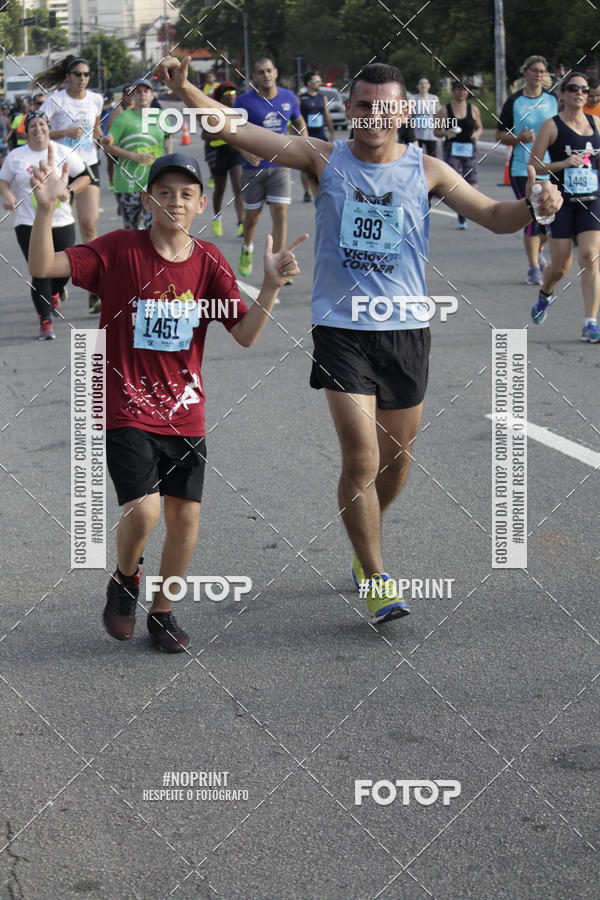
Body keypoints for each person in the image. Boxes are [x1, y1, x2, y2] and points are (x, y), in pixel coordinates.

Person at [153, 56, 561, 623]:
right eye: (362, 104)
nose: (371, 114)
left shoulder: (427, 169)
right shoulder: (323, 156)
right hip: (342, 329)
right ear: (349, 109)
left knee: (396, 461)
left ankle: (362, 537)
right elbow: (238, 129)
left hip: (406, 329)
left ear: (402, 111)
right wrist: (186, 89)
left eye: (383, 105)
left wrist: (536, 209)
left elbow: (496, 215)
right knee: (361, 456)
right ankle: (375, 575)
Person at [28, 148, 307, 650]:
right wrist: (47, 209)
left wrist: (268, 286)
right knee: (145, 511)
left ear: (202, 204)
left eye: (186, 194)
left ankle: (163, 613)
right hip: (126, 406)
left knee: (184, 518)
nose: (174, 202)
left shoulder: (207, 262)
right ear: (147, 199)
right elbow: (45, 263)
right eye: (164, 193)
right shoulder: (118, 250)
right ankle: (125, 579)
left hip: (185, 412)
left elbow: (244, 334)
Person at [0, 110, 90, 339]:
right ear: (26, 131)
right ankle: (45, 321)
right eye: (33, 126)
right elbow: (3, 180)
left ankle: (56, 292)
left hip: (61, 220)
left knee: (63, 269)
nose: (38, 129)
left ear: (49, 129)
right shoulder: (16, 156)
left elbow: (86, 176)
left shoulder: (62, 152)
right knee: (40, 271)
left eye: (42, 125)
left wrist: (69, 190)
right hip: (28, 221)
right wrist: (7, 195)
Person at [529, 72, 600, 342]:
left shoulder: (596, 123)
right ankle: (545, 294)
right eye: (572, 88)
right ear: (562, 94)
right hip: (562, 203)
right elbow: (534, 165)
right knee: (560, 266)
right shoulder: (552, 125)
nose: (579, 93)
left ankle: (590, 322)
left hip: (591, 201)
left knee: (590, 257)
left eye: (584, 89)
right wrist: (562, 164)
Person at [36, 54, 104, 313]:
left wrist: (104, 139)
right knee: (59, 232)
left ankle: (94, 290)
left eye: (87, 74)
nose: (83, 79)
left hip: (87, 167)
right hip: (60, 170)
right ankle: (59, 282)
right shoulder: (55, 101)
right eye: (78, 74)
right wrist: (63, 133)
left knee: (89, 226)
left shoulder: (96, 99)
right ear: (68, 77)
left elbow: (97, 130)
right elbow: (36, 129)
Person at [234, 57, 307, 277]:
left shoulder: (288, 97)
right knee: (252, 218)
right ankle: (247, 248)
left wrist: (304, 138)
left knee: (280, 214)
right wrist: (244, 150)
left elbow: (298, 120)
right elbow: (230, 130)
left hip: (281, 166)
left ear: (275, 72)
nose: (265, 75)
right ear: (254, 76)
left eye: (268, 70)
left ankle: (278, 264)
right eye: (260, 72)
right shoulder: (244, 102)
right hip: (253, 169)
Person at [496, 55, 558, 284]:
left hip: (550, 167)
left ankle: (537, 250)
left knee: (548, 220)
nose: (539, 74)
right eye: (534, 70)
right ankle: (533, 268)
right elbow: (499, 135)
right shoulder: (514, 101)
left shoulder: (553, 100)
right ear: (525, 72)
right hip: (523, 168)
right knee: (532, 216)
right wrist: (518, 137)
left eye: (542, 71)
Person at [103, 79, 172, 230]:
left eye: (146, 91)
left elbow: (168, 138)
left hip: (154, 183)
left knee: (153, 228)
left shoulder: (160, 116)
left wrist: (169, 161)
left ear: (152, 95)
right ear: (132, 96)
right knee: (131, 230)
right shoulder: (123, 118)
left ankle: (149, 254)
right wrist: (134, 156)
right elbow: (109, 147)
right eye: (138, 92)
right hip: (129, 183)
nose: (142, 94)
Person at [435, 80, 482, 229]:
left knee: (471, 180)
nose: (462, 93)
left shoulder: (473, 109)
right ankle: (461, 213)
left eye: (465, 90)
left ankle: (469, 209)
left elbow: (479, 127)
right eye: (460, 90)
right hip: (452, 148)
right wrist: (446, 133)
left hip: (469, 148)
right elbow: (436, 131)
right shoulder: (445, 110)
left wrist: (477, 134)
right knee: (456, 181)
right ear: (454, 91)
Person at [202, 81, 245, 237]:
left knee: (238, 186)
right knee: (220, 189)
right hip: (216, 152)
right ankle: (217, 217)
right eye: (227, 94)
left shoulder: (239, 111)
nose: (231, 97)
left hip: (234, 152)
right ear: (220, 97)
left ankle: (241, 223)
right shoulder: (212, 112)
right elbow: (204, 134)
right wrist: (223, 135)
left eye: (233, 93)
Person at [299, 71, 334, 201]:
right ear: (309, 83)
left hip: (320, 134)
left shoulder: (322, 97)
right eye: (316, 81)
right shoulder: (301, 98)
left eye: (320, 81)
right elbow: (295, 118)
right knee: (306, 166)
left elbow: (327, 115)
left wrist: (331, 132)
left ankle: (321, 188)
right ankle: (306, 191)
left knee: (323, 163)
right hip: (307, 135)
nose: (320, 83)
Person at [413, 76, 439, 156]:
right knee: (416, 157)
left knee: (432, 158)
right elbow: (409, 116)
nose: (423, 85)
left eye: (425, 83)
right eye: (421, 83)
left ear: (429, 85)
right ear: (418, 86)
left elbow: (437, 115)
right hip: (417, 133)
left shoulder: (434, 98)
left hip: (430, 134)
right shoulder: (413, 98)